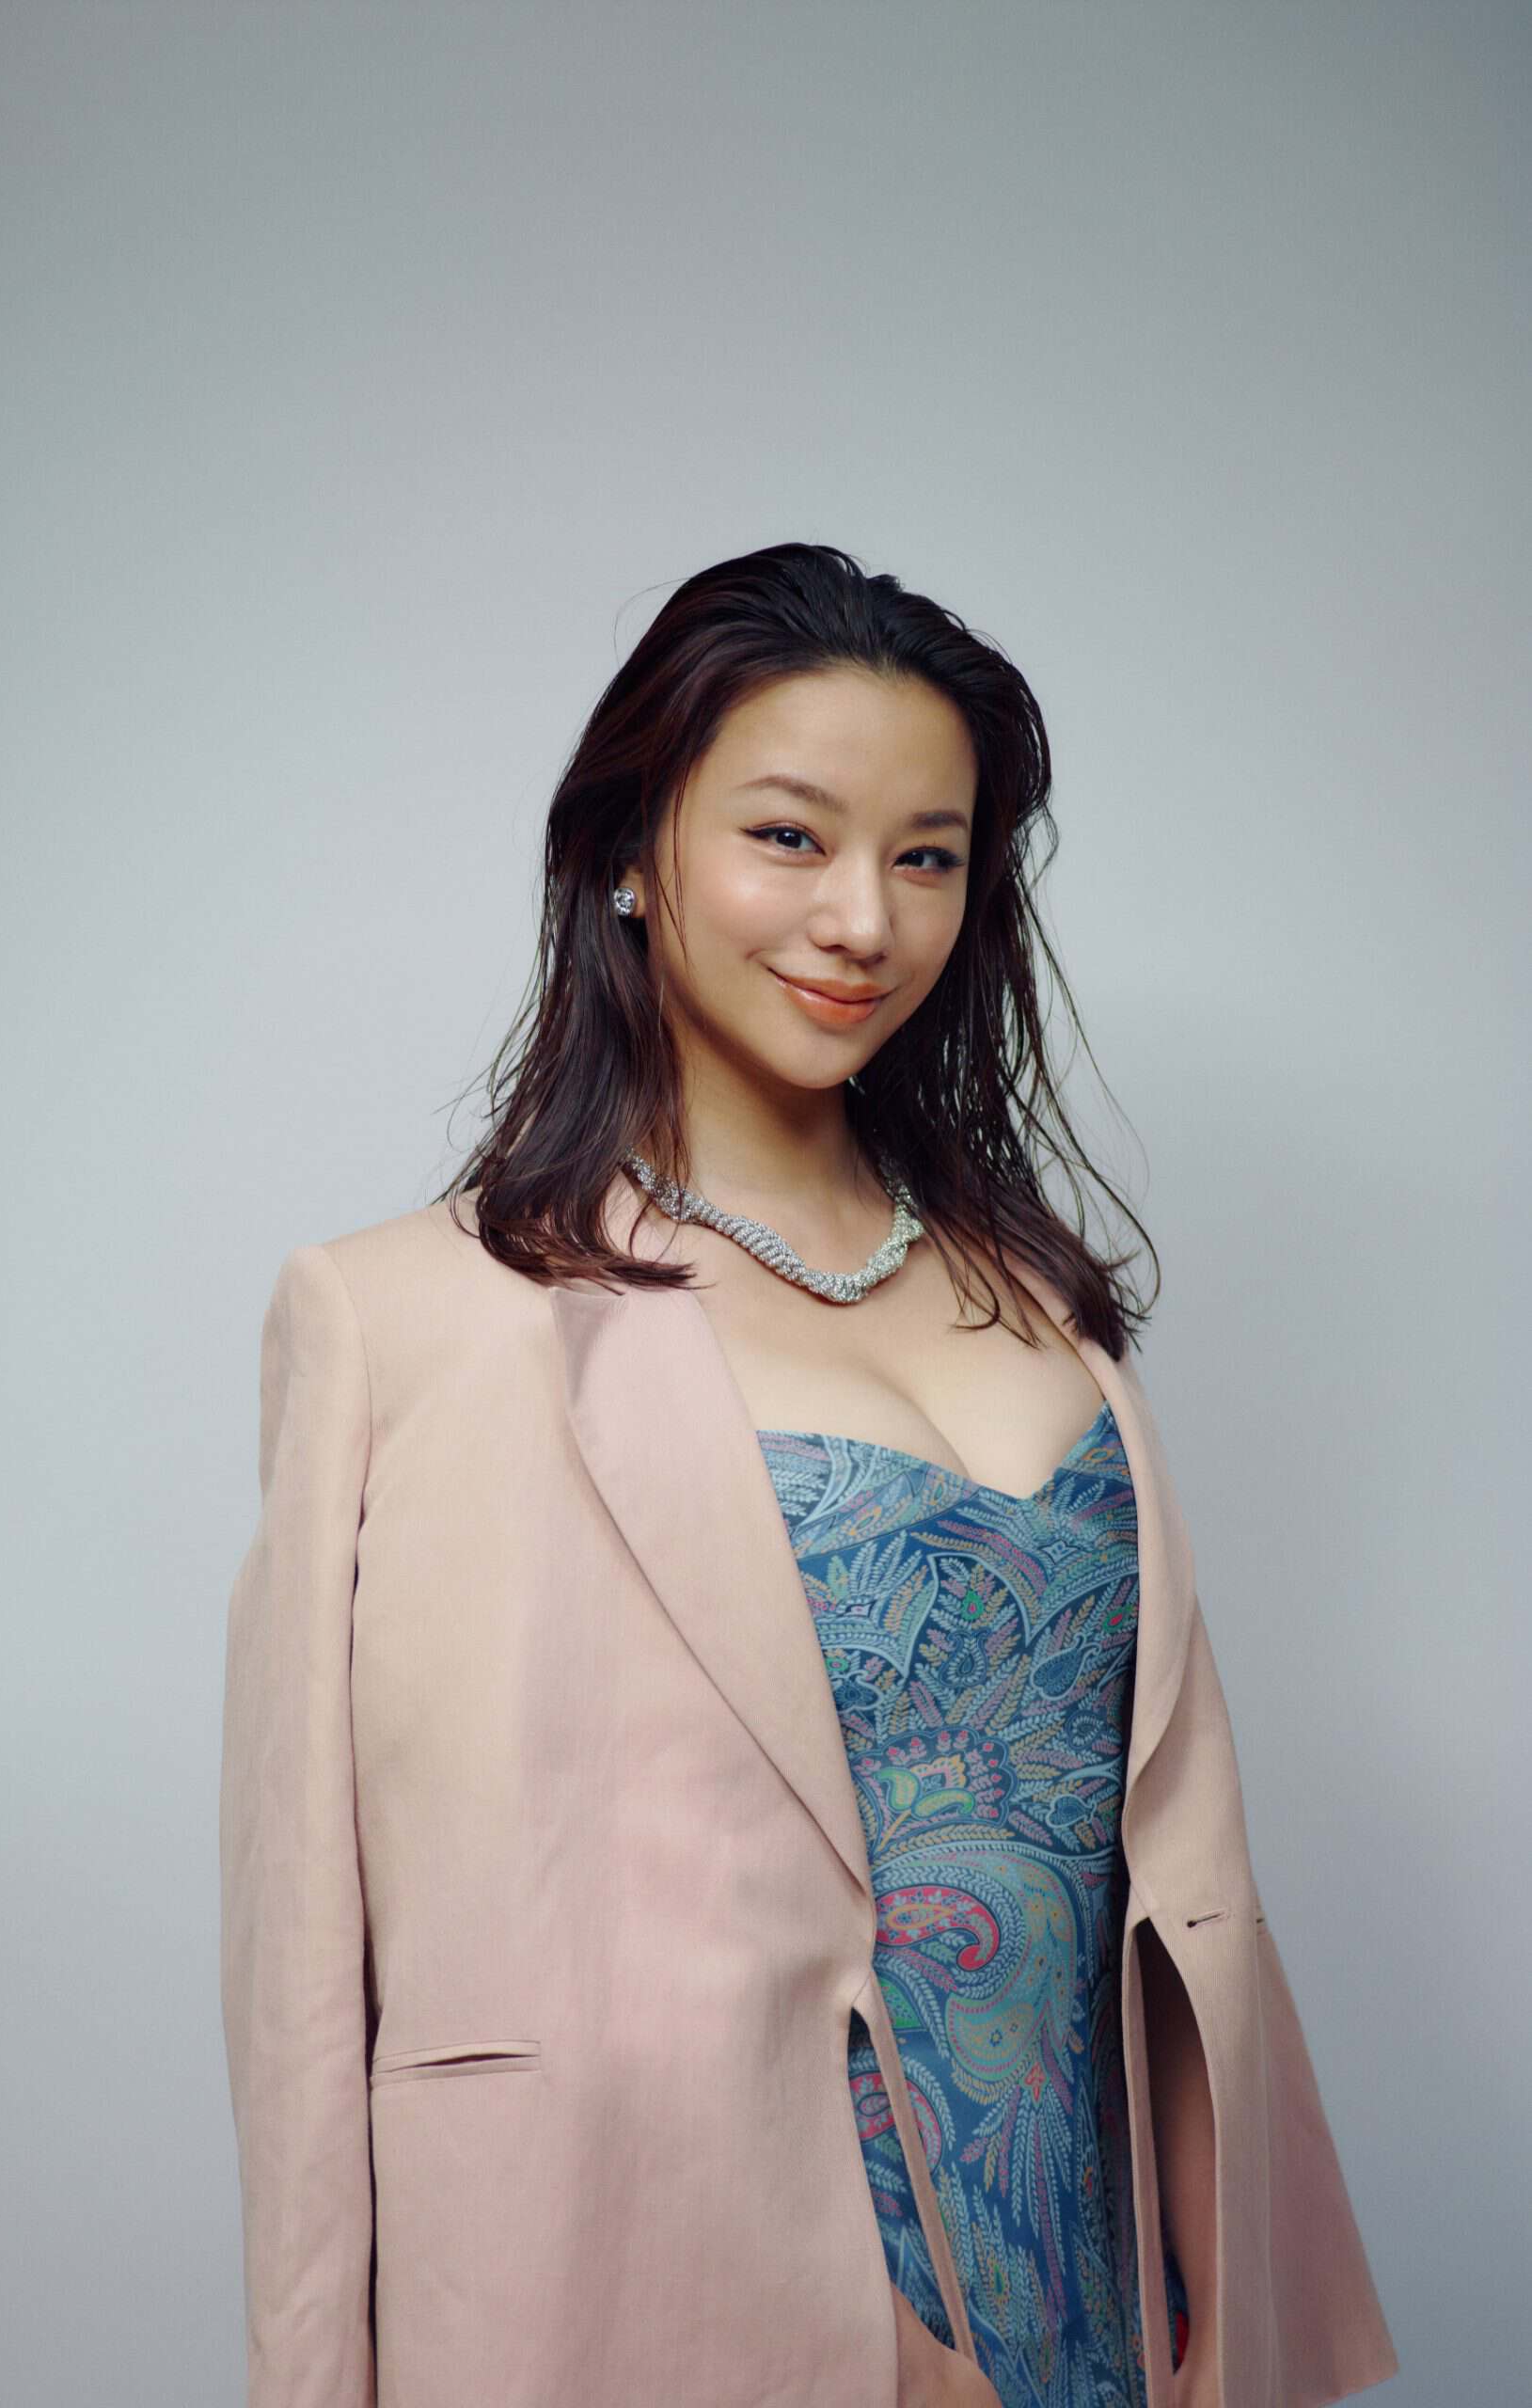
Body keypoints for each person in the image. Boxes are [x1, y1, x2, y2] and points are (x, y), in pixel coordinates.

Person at [219, 543, 1398, 2408]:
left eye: (927, 856)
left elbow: (1154, 1863)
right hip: (657, 2292)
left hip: (1090, 2277)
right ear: (630, 850)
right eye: (788, 836)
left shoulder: (1047, 1309)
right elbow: (304, 1968)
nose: (863, 917)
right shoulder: (408, 1318)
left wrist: (1210, 2287)